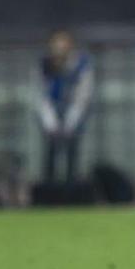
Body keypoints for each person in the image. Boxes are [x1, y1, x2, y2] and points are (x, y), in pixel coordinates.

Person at [36, 30, 94, 184]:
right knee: (50, 151)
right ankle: (49, 186)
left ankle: (71, 186)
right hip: (52, 113)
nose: (59, 49)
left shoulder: (80, 64)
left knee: (72, 150)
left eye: (63, 45)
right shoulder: (44, 64)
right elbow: (41, 94)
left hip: (74, 113)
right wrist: (50, 121)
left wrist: (71, 121)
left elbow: (83, 95)